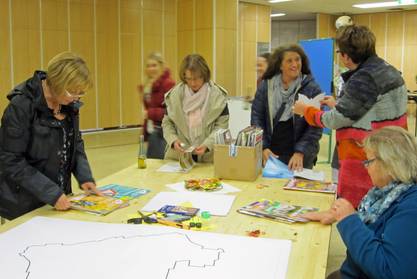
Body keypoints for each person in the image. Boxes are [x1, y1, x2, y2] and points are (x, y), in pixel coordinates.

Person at [293, 25, 408, 207]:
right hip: (392, 155)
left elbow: (334, 120)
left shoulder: (364, 78)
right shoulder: (389, 70)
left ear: (346, 56)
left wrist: (306, 110)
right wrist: (338, 105)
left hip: (368, 160)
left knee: (359, 215)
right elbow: (372, 110)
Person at [303, 126, 417, 279]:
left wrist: (350, 220)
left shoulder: (411, 208)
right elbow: (380, 225)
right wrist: (339, 215)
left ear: (390, 163)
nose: (366, 167)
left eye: (369, 161)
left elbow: (389, 271)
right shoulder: (389, 193)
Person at [0, 52, 101, 220]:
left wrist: (85, 177)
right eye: (72, 92)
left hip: (57, 199)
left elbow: (75, 143)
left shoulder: (68, 105)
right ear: (56, 83)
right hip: (23, 203)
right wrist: (51, 193)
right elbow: (11, 160)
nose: (76, 98)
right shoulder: (21, 106)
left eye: (80, 93)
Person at [251, 44, 323, 170]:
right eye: (289, 61)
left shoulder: (312, 88)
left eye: (297, 59)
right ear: (280, 65)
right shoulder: (266, 87)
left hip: (300, 157)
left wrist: (300, 152)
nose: (295, 64)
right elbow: (257, 118)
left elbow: (315, 127)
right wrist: (263, 147)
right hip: (271, 153)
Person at [162, 54, 229, 163]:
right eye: (189, 79)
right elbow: (167, 123)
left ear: (204, 75)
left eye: (197, 78)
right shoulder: (174, 96)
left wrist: (207, 145)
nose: (193, 83)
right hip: (178, 157)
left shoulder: (218, 96)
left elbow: (221, 127)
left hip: (209, 157)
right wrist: (173, 141)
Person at [138, 52, 175, 159]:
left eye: (154, 65)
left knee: (156, 166)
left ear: (161, 66)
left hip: (162, 132)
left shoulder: (168, 84)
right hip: (151, 131)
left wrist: (149, 113)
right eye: (148, 66)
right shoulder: (146, 85)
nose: (151, 68)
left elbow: (171, 112)